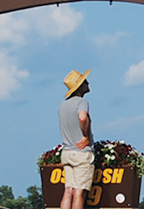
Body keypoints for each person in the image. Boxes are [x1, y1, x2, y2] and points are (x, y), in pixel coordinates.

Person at [58, 70, 94, 209]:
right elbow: (82, 117)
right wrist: (86, 136)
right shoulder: (82, 102)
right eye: (84, 81)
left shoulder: (63, 105)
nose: (87, 83)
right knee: (79, 192)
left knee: (68, 191)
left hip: (66, 152)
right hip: (81, 153)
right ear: (79, 87)